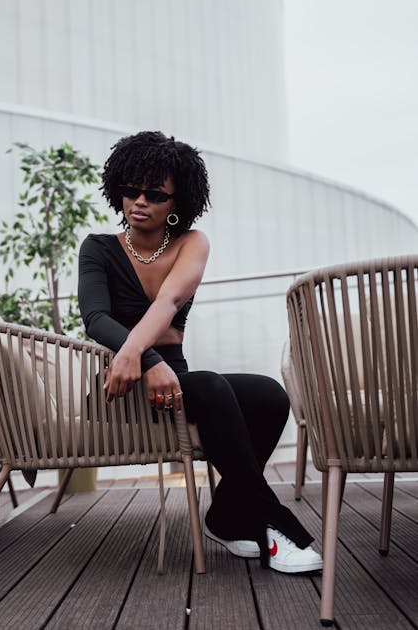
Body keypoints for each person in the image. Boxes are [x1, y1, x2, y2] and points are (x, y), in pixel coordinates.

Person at [78, 130, 322, 574]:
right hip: (121, 386)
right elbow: (95, 319)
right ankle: (277, 525)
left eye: (155, 194)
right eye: (131, 190)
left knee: (269, 395)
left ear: (178, 201)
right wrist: (143, 359)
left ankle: (226, 518)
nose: (140, 202)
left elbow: (169, 302)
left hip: (176, 382)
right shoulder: (98, 248)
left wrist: (143, 352)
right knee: (209, 385)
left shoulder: (191, 243)